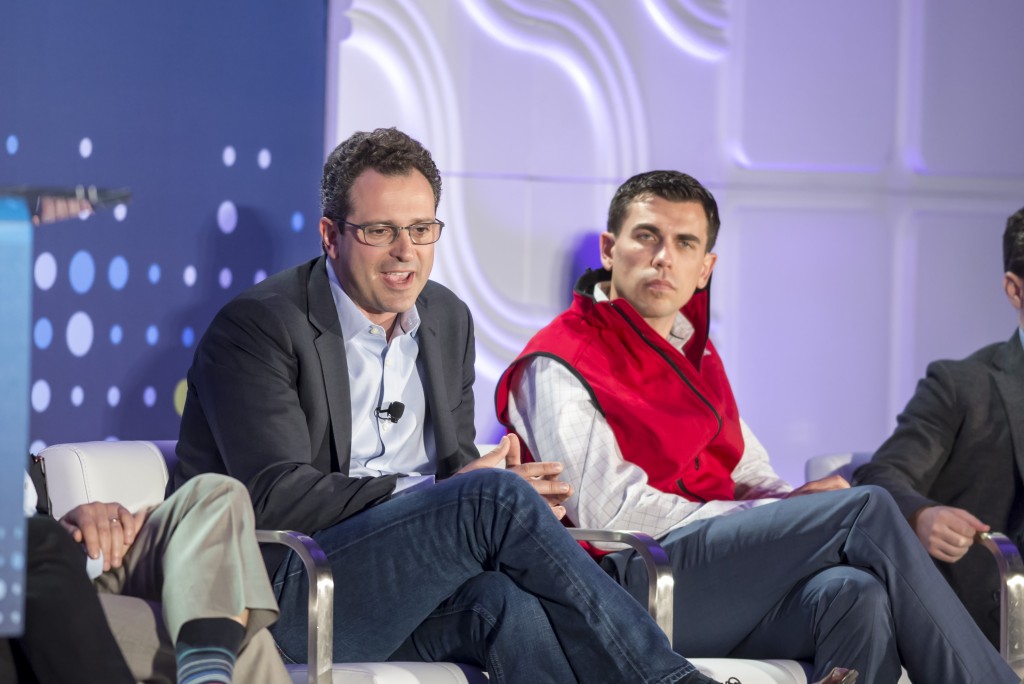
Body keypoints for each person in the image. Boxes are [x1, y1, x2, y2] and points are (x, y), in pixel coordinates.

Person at [172, 127, 719, 684]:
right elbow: (274, 496)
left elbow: (455, 470)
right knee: (491, 499)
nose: (405, 251)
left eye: (421, 229)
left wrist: (508, 496)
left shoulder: (446, 318)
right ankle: (669, 679)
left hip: (408, 590)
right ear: (330, 235)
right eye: (380, 230)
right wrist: (449, 492)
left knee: (505, 604)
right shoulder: (260, 326)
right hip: (295, 590)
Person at [496, 170, 1019, 683]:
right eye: (647, 237)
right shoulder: (560, 359)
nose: (663, 258)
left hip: (707, 575)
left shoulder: (695, 353)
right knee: (866, 507)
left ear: (706, 267)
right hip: (626, 580)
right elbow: (611, 513)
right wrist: (779, 514)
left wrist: (788, 504)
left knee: (854, 594)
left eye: (684, 243)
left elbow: (749, 469)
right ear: (610, 249)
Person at [853, 206, 1024, 648]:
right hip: (995, 620)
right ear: (1015, 289)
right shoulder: (963, 384)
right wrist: (922, 515)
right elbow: (882, 474)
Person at [5, 471, 289, 684]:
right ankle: (206, 669)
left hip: (63, 558)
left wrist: (84, 526)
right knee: (248, 643)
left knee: (215, 494)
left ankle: (206, 664)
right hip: (23, 590)